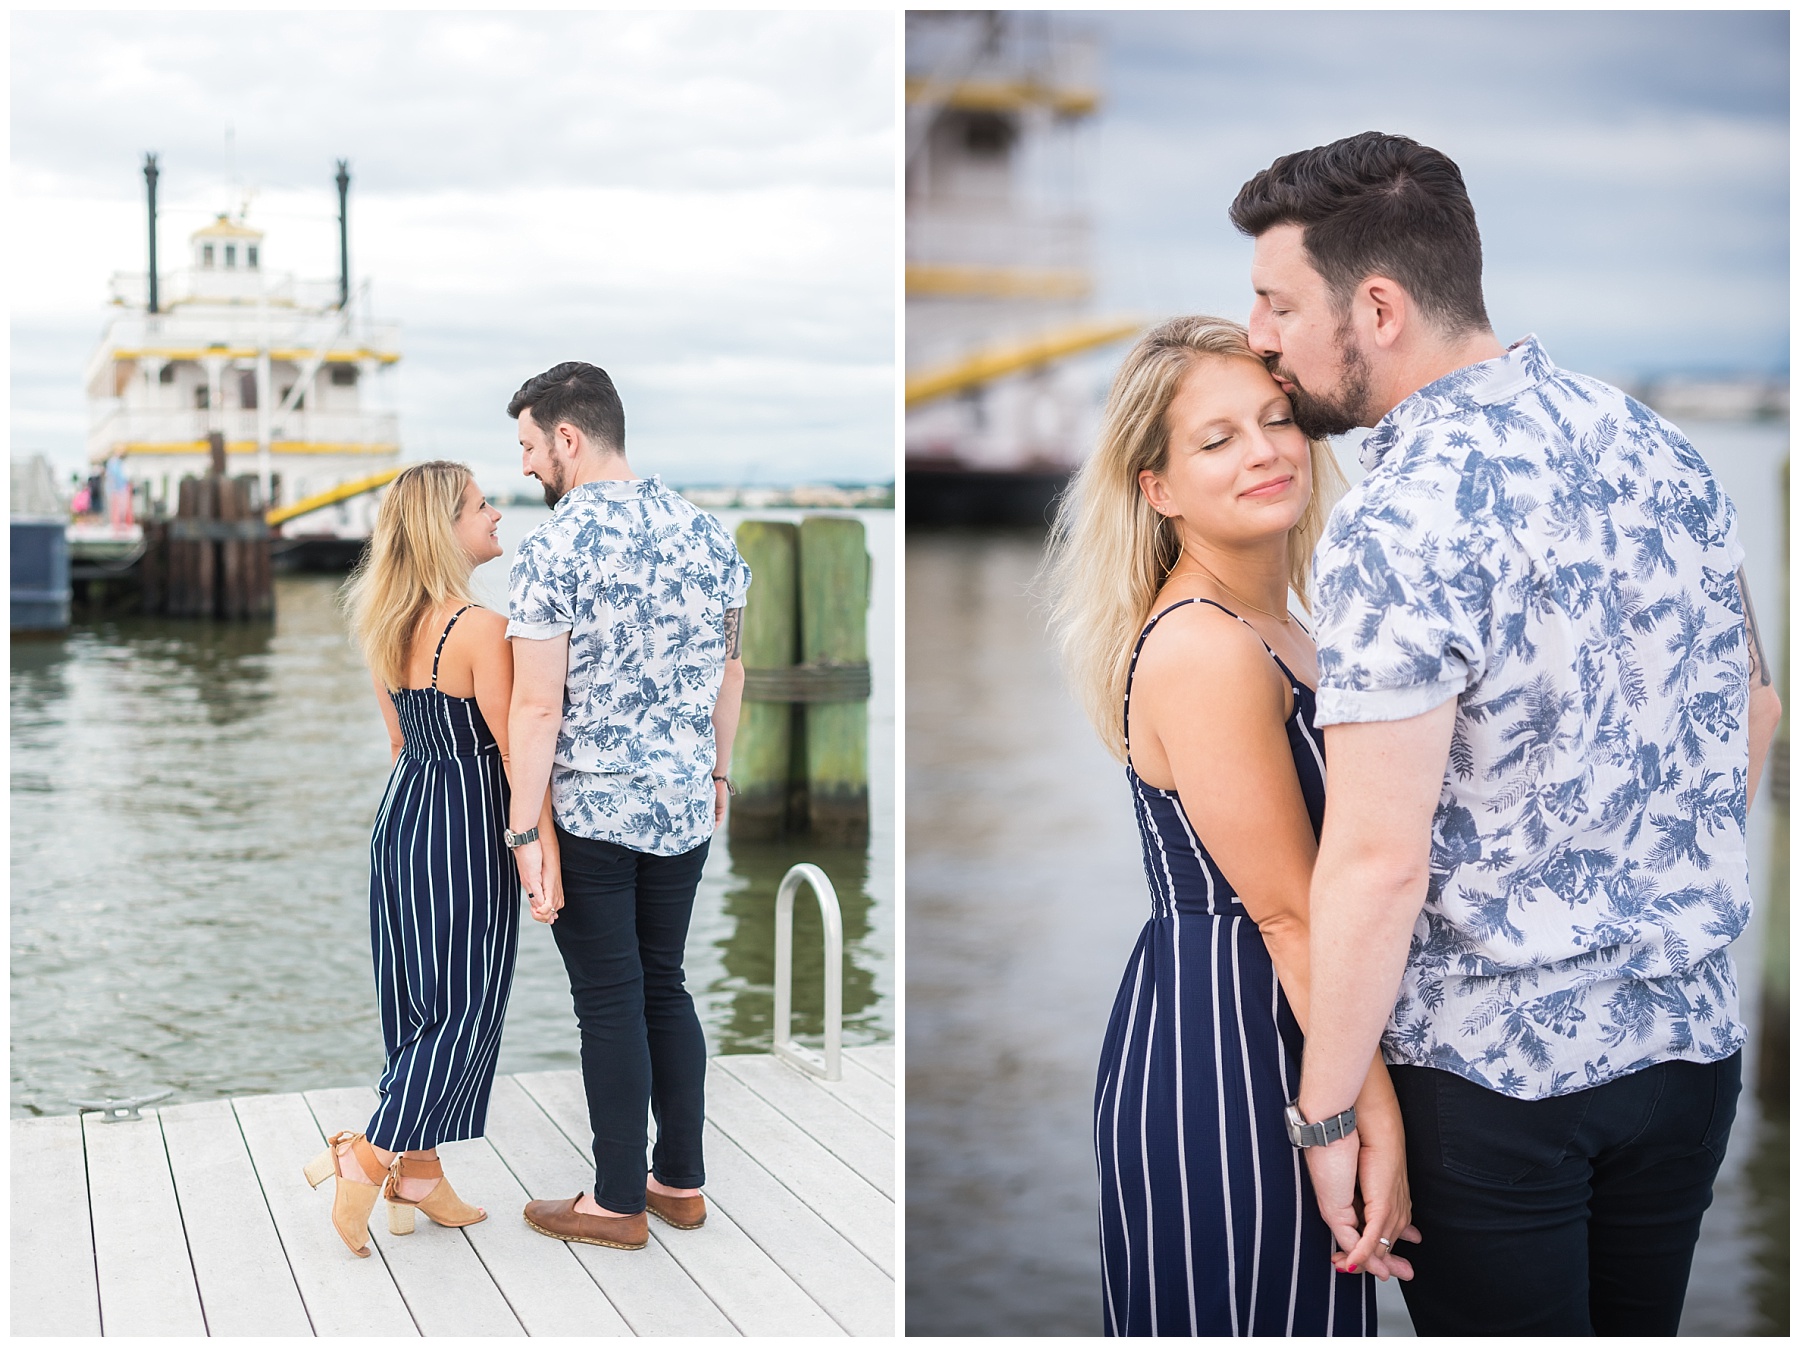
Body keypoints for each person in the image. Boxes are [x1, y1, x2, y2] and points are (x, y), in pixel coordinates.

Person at [1230, 131, 1783, 1335]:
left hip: (1495, 1083)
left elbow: (1379, 861)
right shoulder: (1660, 446)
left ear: (1374, 307)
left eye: (1277, 303)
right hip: (1686, 1051)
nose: (1260, 337)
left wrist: (1326, 1116)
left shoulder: (1397, 522)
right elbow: (1757, 708)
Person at [1044, 316, 1416, 1336]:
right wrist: (1360, 1117)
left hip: (1302, 1034)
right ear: (1156, 487)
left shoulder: (1290, 625)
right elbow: (1293, 915)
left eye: (1277, 419)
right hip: (1231, 1051)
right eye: (1217, 439)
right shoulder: (1202, 648)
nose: (1264, 451)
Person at [501, 362, 749, 1251]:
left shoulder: (553, 551)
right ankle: (679, 1181)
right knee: (665, 985)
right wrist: (718, 775)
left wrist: (525, 828)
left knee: (609, 999)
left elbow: (536, 706)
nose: (526, 466)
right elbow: (731, 670)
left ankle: (615, 1202)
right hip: (684, 806)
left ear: (568, 437)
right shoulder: (710, 536)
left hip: (595, 814)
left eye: (530, 445)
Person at [306, 461, 559, 1258]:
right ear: (443, 526)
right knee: (464, 1008)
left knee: (417, 1004)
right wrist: (536, 849)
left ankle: (418, 1178)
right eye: (482, 504)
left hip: (403, 817)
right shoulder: (478, 629)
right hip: (462, 825)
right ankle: (367, 1153)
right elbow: (519, 756)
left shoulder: (384, 623)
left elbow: (397, 742)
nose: (496, 513)